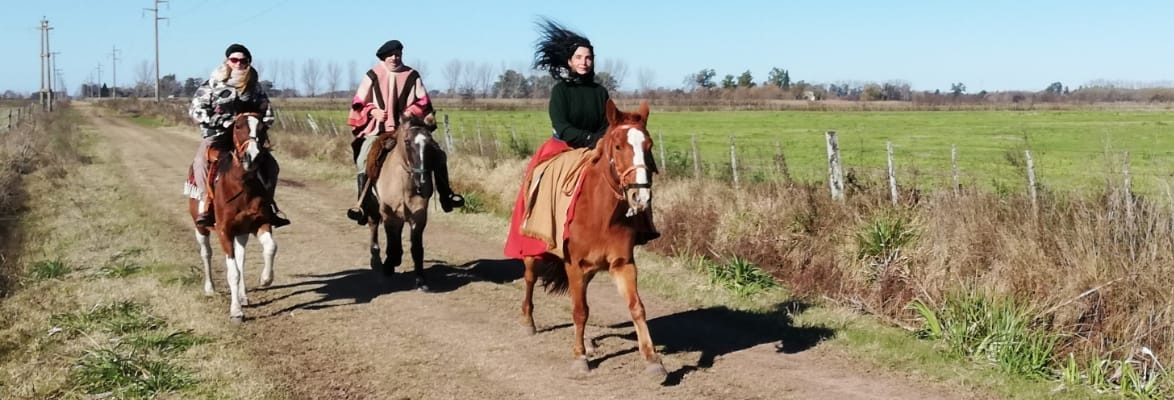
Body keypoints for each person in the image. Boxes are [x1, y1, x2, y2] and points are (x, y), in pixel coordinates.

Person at [504, 19, 657, 259]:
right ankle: (540, 230)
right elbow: (561, 125)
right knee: (541, 181)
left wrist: (601, 139)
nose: (584, 63)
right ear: (569, 61)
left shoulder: (600, 92)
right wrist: (588, 137)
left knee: (628, 175)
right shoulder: (561, 91)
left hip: (595, 146)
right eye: (579, 58)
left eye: (588, 58)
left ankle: (637, 227)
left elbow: (608, 123)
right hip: (563, 147)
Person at [346, 39, 463, 223]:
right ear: (384, 57)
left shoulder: (412, 75)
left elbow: (423, 101)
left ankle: (446, 195)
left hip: (409, 130)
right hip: (380, 131)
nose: (395, 58)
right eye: (391, 55)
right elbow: (358, 102)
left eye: (398, 54)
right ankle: (363, 203)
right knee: (363, 159)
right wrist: (372, 111)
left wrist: (411, 112)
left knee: (438, 154)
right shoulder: (372, 75)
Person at [187, 43, 290, 228]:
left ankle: (269, 206)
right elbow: (196, 110)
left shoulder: (254, 86)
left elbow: (266, 109)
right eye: (234, 60)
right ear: (227, 61)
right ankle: (206, 204)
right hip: (217, 135)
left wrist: (261, 124)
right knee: (200, 162)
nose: (239, 64)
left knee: (271, 165)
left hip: (246, 137)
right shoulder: (212, 83)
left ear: (248, 62)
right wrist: (221, 120)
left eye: (243, 61)